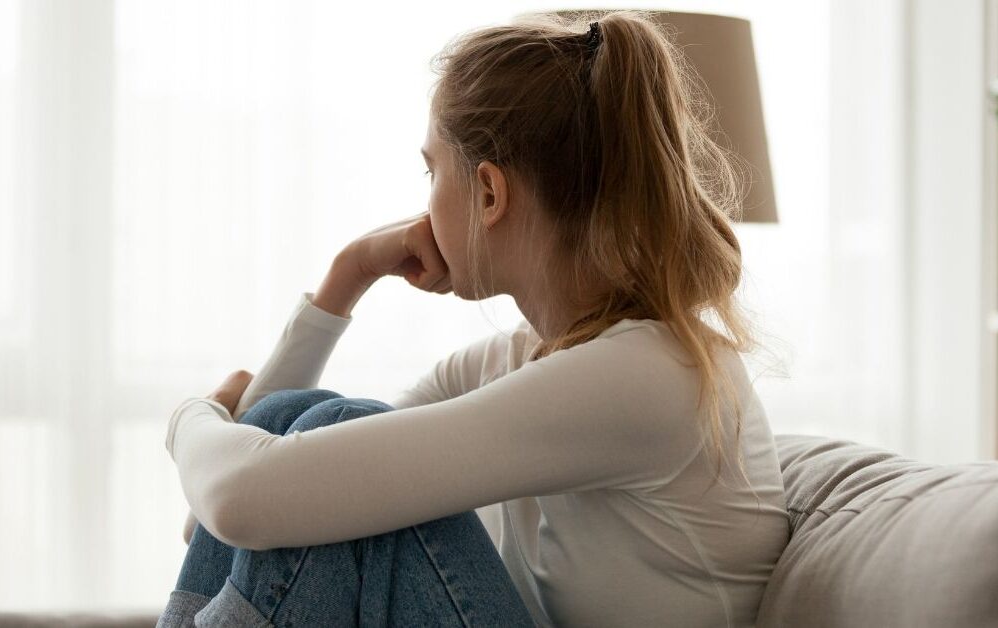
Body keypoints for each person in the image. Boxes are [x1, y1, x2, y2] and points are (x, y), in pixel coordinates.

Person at [158, 9, 790, 627]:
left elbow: (240, 498)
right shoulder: (524, 359)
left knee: (337, 426)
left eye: (432, 171)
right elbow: (227, 512)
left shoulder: (646, 375)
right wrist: (347, 276)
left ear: (490, 193)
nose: (424, 201)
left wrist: (191, 417)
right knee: (309, 427)